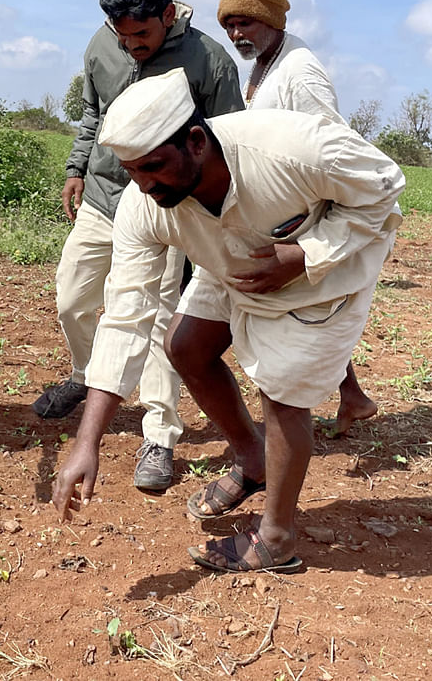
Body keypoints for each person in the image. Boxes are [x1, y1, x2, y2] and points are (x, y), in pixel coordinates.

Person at [51, 68, 403, 573]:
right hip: (232, 260)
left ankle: (277, 537)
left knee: (282, 393)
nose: (145, 186)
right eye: (133, 173)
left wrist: (303, 254)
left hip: (324, 272)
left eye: (153, 167)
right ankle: (252, 458)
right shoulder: (146, 204)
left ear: (195, 142)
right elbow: (125, 317)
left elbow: (384, 186)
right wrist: (88, 443)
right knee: (185, 347)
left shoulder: (289, 147)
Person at [32, 0, 243, 492]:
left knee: (154, 320)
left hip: (170, 207)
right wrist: (76, 167)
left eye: (141, 35)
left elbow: (230, 141)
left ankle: (159, 434)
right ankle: (91, 376)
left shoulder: (209, 61)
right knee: (71, 297)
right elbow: (92, 115)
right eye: (122, 35)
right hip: (106, 196)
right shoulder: (102, 47)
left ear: (168, 14)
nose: (131, 46)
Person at [218, 0, 377, 436]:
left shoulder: (300, 73)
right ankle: (352, 396)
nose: (235, 33)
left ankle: (287, 426)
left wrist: (312, 240)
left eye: (245, 22)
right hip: (281, 215)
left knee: (292, 321)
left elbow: (334, 154)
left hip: (303, 224)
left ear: (273, 20)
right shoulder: (266, 63)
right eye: (229, 24)